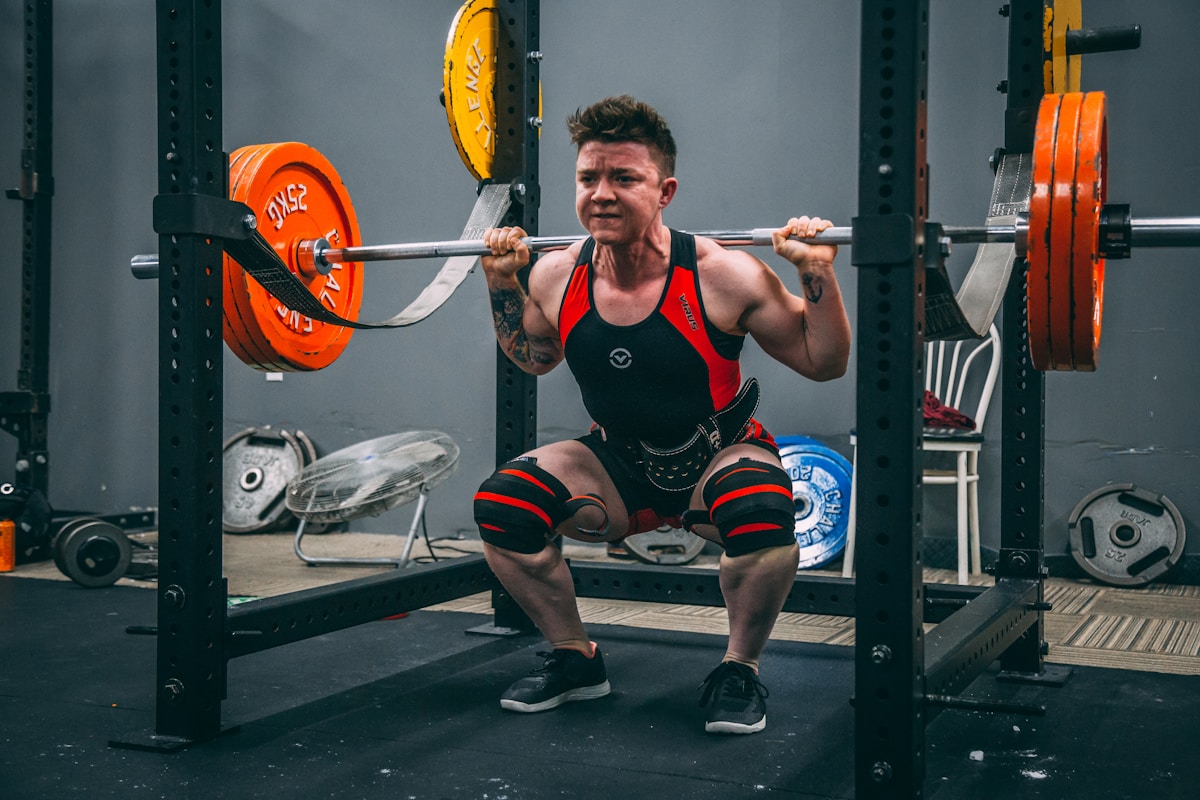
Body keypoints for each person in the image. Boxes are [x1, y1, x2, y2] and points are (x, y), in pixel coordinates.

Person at [474, 95, 851, 735]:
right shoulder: (556, 275)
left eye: (624, 178)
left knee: (759, 505)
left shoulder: (723, 274)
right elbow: (534, 359)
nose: (601, 194)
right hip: (618, 463)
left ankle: (740, 668)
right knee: (504, 505)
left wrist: (816, 274)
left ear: (664, 191)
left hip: (718, 454)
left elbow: (824, 361)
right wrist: (500, 284)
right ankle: (576, 658)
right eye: (589, 178)